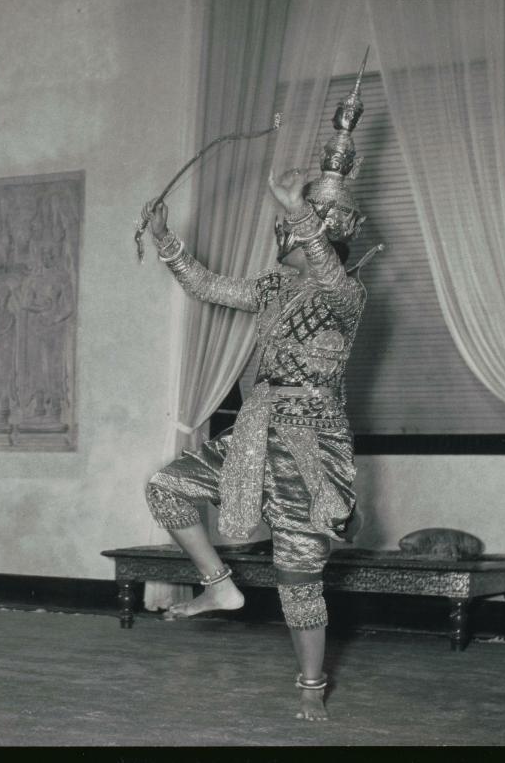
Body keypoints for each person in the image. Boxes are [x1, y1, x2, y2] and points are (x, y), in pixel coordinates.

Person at [140, 63, 377, 721]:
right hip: (252, 430)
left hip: (309, 441)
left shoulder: (347, 293)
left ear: (328, 229)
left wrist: (299, 207)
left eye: (300, 225)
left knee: (300, 575)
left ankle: (310, 688)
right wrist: (167, 245)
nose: (283, 233)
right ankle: (218, 585)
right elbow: (212, 287)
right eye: (287, 224)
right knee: (166, 486)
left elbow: (328, 270)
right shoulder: (272, 289)